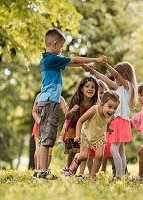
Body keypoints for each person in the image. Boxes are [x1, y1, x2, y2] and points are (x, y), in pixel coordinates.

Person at [37, 28, 106, 179]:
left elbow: (71, 63)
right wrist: (95, 60)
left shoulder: (46, 60)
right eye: (61, 47)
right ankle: (42, 172)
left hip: (45, 101)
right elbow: (73, 60)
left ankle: (41, 171)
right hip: (50, 103)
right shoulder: (51, 59)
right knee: (47, 139)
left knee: (44, 139)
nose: (61, 50)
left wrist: (83, 66)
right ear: (54, 44)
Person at [89, 61, 138, 179]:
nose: (116, 78)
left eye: (119, 74)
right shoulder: (119, 88)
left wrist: (105, 64)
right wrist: (93, 72)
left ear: (125, 75)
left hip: (120, 121)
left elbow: (115, 75)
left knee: (113, 148)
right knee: (121, 151)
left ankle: (119, 176)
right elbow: (106, 80)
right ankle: (121, 175)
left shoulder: (128, 87)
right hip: (117, 121)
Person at [71, 90, 120, 179]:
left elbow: (108, 121)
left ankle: (92, 177)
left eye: (115, 108)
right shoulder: (94, 109)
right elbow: (80, 121)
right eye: (109, 106)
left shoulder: (111, 116)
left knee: (99, 156)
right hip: (86, 134)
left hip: (99, 137)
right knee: (84, 156)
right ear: (102, 104)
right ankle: (76, 160)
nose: (112, 110)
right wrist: (77, 135)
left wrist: (108, 128)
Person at [61, 75, 99, 179]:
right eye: (87, 86)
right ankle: (68, 168)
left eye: (93, 87)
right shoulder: (77, 99)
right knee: (72, 150)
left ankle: (80, 173)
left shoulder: (94, 103)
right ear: (81, 89)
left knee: (84, 152)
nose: (90, 89)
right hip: (73, 128)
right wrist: (73, 110)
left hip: (86, 129)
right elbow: (67, 116)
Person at [31, 93, 67, 178]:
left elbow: (66, 111)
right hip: (39, 128)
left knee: (48, 149)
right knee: (39, 147)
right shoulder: (40, 96)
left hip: (50, 127)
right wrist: (40, 122)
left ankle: (44, 170)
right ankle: (38, 170)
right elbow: (34, 111)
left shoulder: (59, 98)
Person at [86, 80, 116, 175]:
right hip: (90, 134)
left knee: (100, 154)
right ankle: (91, 172)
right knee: (89, 154)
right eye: (99, 93)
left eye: (102, 93)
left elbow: (108, 119)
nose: (100, 95)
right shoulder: (92, 106)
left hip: (101, 135)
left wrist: (108, 127)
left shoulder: (107, 108)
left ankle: (94, 174)